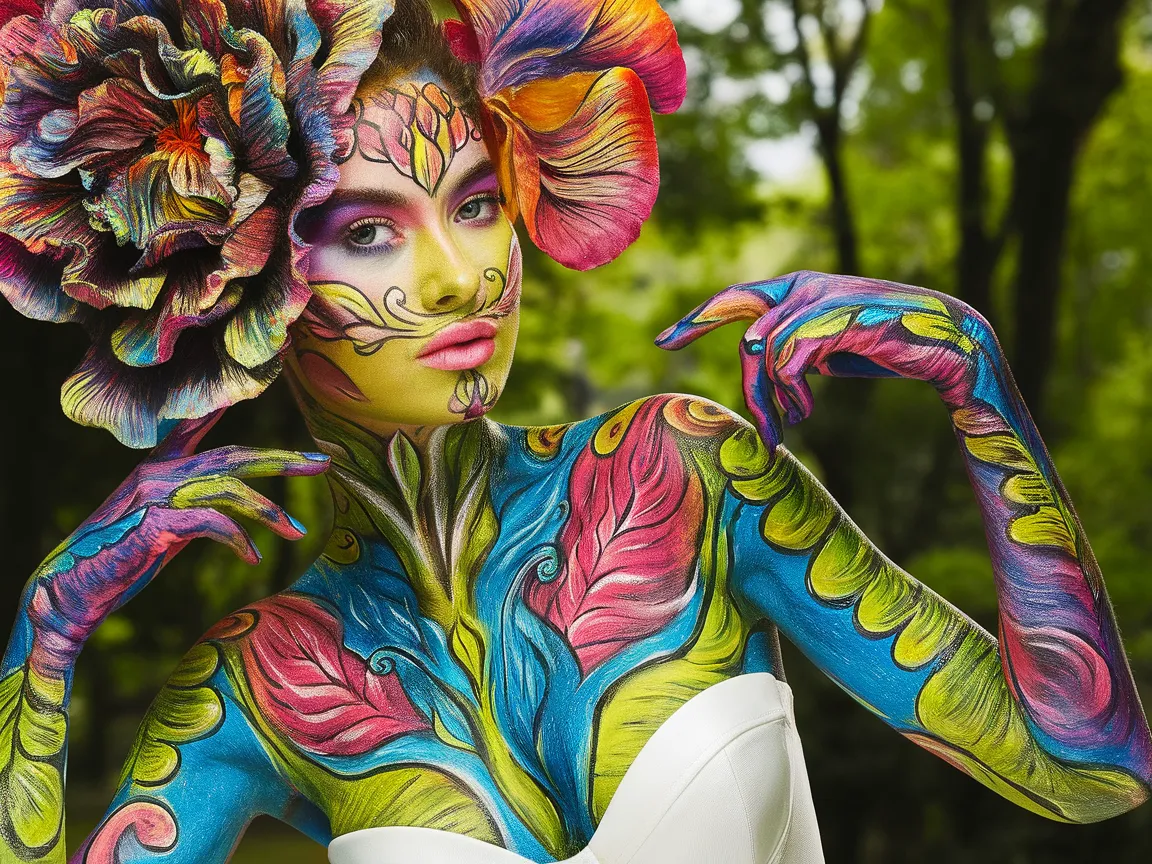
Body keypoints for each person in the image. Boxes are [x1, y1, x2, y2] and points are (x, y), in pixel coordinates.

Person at [0, 0, 1149, 862]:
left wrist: (975, 384)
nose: (459, 277)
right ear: (242, 284)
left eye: (476, 203)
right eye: (367, 231)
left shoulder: (685, 475)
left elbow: (1086, 773)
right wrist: (44, 639)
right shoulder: (258, 678)